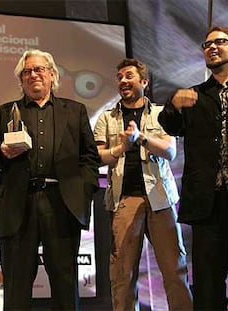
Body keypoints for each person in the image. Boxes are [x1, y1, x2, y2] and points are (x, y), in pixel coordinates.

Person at [0, 49, 100, 310]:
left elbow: (89, 157)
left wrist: (84, 192)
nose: (33, 74)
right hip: (17, 204)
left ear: (52, 75)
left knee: (65, 281)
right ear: (21, 79)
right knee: (16, 282)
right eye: (27, 71)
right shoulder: (3, 112)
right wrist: (2, 150)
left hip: (62, 203)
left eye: (39, 69)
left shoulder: (75, 111)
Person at [94, 58, 193, 311]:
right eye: (119, 77)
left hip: (160, 198)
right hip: (124, 199)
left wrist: (141, 138)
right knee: (122, 274)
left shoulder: (161, 114)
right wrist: (121, 148)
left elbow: (170, 151)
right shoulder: (107, 118)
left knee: (174, 270)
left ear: (144, 82)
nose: (123, 81)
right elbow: (98, 157)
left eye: (129, 76)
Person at [158, 26, 228, 310]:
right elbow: (170, 125)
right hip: (208, 201)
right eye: (207, 44)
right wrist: (173, 105)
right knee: (208, 282)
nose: (212, 47)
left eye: (220, 42)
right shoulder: (196, 95)